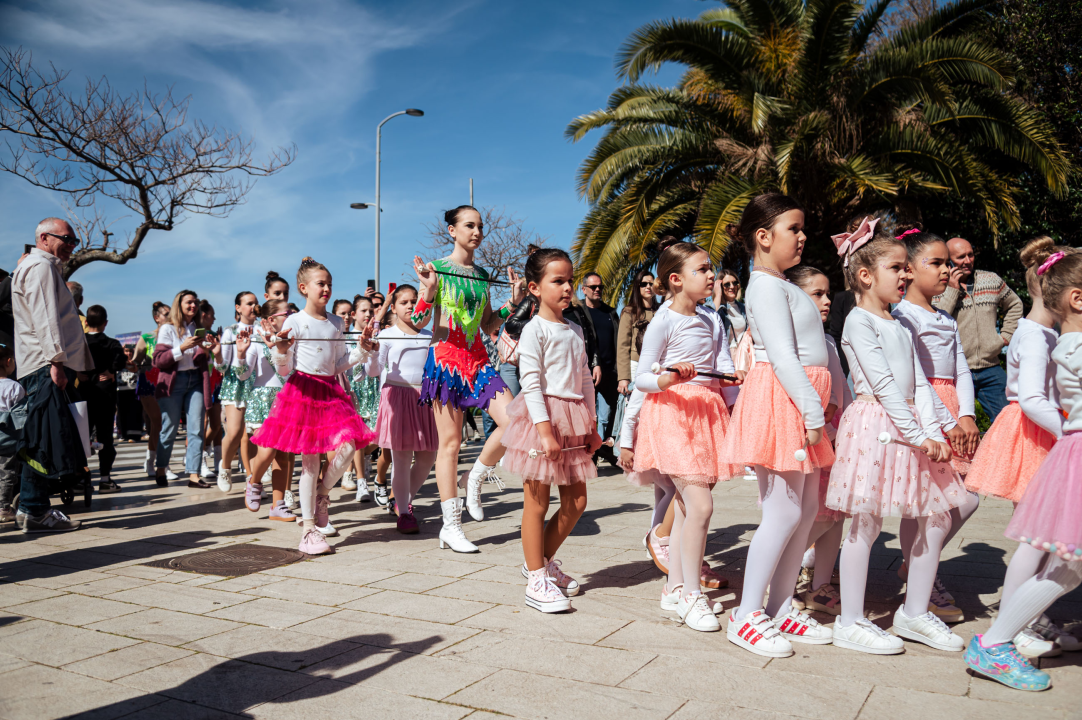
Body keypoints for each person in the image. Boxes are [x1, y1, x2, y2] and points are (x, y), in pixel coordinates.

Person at [826, 218, 966, 655]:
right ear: (866, 275)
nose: (906, 275)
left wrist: (936, 429)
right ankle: (850, 621)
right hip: (876, 427)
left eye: (908, 268)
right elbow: (884, 385)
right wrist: (917, 435)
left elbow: (920, 385)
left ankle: (915, 611)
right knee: (865, 522)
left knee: (937, 515)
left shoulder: (901, 325)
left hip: (908, 428)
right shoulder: (859, 322)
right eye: (898, 267)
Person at [719, 195, 836, 657]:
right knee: (784, 510)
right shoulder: (765, 286)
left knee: (805, 510)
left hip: (799, 399)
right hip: (783, 400)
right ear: (764, 237)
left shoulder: (782, 284)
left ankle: (781, 605)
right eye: (794, 228)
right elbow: (784, 356)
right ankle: (747, 613)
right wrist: (810, 410)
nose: (803, 236)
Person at [963, 244, 1082, 692]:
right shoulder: (1061, 342)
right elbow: (1033, 399)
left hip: (1065, 442)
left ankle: (1003, 636)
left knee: (1064, 561)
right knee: (1052, 552)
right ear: (1077, 298)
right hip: (1054, 440)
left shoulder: (1062, 340)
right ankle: (1000, 639)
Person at [634, 241, 742, 632]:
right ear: (676, 280)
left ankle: (674, 587)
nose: (712, 275)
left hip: (709, 415)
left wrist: (734, 392)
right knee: (700, 506)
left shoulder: (713, 319)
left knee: (684, 506)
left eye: (711, 268)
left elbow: (724, 366)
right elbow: (643, 376)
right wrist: (666, 377)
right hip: (673, 415)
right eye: (703, 269)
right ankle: (693, 594)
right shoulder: (663, 320)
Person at [411, 205, 524, 552]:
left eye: (480, 226)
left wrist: (513, 304)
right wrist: (428, 292)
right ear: (452, 231)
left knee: (515, 422)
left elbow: (489, 324)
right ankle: (451, 526)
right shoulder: (438, 270)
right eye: (469, 225)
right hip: (445, 361)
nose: (476, 231)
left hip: (478, 362)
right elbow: (417, 321)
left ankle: (473, 477)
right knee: (450, 444)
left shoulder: (482, 273)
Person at [248, 257, 377, 555]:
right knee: (310, 462)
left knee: (347, 448)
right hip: (303, 391)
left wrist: (361, 350)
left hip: (331, 391)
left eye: (330, 283)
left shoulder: (336, 322)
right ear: (304, 288)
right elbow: (284, 369)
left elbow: (338, 363)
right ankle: (308, 530)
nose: (327, 288)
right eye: (321, 283)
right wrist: (280, 350)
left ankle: (322, 494)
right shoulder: (294, 321)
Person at [501, 248, 602, 612]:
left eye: (569, 280)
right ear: (535, 288)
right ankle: (535, 578)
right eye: (557, 281)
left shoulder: (575, 329)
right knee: (537, 502)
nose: (567, 287)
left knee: (577, 502)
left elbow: (586, 379)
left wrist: (591, 424)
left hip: (573, 418)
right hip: (540, 418)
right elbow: (530, 383)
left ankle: (541, 561)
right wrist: (544, 431)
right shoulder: (534, 330)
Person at [893, 229, 983, 622]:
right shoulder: (902, 316)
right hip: (926, 414)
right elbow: (916, 379)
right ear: (908, 270)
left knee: (968, 497)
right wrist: (948, 421)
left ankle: (917, 566)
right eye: (937, 262)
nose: (947, 269)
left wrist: (967, 414)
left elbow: (960, 366)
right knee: (927, 504)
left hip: (954, 414)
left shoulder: (944, 317)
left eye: (949, 262)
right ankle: (920, 575)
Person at [11, 217, 92, 533]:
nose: (72, 245)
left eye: (74, 241)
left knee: (39, 438)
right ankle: (34, 509)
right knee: (43, 439)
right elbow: (45, 319)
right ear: (44, 238)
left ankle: (33, 506)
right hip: (45, 365)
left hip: (40, 363)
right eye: (67, 239)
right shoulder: (41, 267)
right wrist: (57, 362)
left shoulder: (37, 266)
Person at [784, 265, 848, 617]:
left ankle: (821, 582)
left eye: (828, 294)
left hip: (835, 434)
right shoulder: (791, 344)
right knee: (805, 514)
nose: (826, 301)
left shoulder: (828, 341)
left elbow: (841, 388)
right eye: (817, 294)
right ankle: (784, 577)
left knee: (834, 513)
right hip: (807, 434)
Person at [367, 285, 437, 534]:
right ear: (394, 308)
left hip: (426, 397)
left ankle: (400, 499)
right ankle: (405, 512)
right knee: (402, 458)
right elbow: (373, 371)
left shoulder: (431, 334)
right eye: (404, 302)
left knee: (429, 456)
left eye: (413, 302)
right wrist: (372, 353)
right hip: (397, 395)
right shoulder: (387, 334)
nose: (409, 306)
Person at [933, 237, 1023, 422]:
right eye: (960, 257)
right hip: (956, 372)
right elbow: (937, 320)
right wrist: (951, 289)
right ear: (948, 260)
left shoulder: (991, 279)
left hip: (991, 368)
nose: (967, 261)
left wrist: (1005, 337)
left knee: (1008, 421)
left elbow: (1015, 304)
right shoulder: (938, 286)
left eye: (970, 255)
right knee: (957, 426)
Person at [235, 298, 295, 522]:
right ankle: (254, 480)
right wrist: (241, 354)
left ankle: (278, 505)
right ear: (271, 319)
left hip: (286, 399)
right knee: (268, 451)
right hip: (262, 399)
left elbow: (289, 372)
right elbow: (243, 375)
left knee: (282, 454)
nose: (291, 316)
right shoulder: (258, 343)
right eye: (286, 313)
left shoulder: (291, 340)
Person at [153, 290, 212, 489]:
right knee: (168, 429)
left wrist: (206, 350)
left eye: (195, 302)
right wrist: (183, 347)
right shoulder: (168, 329)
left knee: (196, 429)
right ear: (179, 305)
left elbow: (204, 360)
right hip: (174, 382)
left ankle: (194, 475)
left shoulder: (198, 328)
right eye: (189, 302)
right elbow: (159, 360)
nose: (193, 306)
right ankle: (161, 468)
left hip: (195, 379)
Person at [567, 272, 620, 464]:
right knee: (589, 413)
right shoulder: (577, 310)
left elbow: (618, 342)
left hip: (610, 371)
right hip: (588, 369)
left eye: (600, 287)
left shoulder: (611, 312)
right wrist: (592, 363)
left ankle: (607, 449)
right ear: (584, 289)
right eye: (593, 287)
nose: (598, 290)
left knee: (614, 411)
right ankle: (591, 454)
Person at [216, 292, 260, 491]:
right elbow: (223, 368)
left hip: (257, 385)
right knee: (234, 432)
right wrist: (217, 356)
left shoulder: (261, 330)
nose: (253, 307)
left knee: (251, 435)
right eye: (249, 303)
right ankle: (225, 467)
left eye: (255, 303)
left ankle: (252, 479)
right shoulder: (230, 331)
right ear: (238, 307)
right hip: (236, 384)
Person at [82, 304, 126, 494]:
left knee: (82, 436)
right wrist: (110, 371)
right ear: (105, 323)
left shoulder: (80, 343)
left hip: (84, 393)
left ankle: (80, 477)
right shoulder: (112, 344)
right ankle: (105, 478)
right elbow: (120, 361)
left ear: (85, 322)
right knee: (106, 436)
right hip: (106, 394)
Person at [343, 294, 380, 500]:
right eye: (363, 310)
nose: (368, 314)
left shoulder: (378, 335)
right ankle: (361, 484)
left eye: (371, 311)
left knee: (377, 435)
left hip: (373, 390)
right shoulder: (346, 338)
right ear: (354, 314)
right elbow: (352, 371)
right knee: (356, 438)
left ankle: (366, 458)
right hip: (354, 392)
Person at [134, 301, 171, 477]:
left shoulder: (175, 336)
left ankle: (161, 462)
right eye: (166, 314)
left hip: (168, 382)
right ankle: (152, 462)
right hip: (149, 382)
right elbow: (135, 361)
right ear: (156, 318)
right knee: (158, 422)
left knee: (165, 423)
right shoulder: (147, 337)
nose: (170, 317)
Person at [616, 269, 660, 395]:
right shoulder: (629, 312)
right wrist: (623, 377)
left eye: (651, 284)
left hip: (657, 366)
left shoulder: (661, 312)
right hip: (635, 365)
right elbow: (622, 347)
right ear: (637, 287)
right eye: (644, 284)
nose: (648, 287)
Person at [0, 342, 26, 523]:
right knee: (7, 473)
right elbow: (22, 417)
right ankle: (3, 507)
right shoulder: (15, 387)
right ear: (9, 361)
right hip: (8, 440)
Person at [714, 269, 747, 350]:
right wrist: (718, 295)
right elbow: (711, 320)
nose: (732, 286)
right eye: (727, 284)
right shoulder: (720, 309)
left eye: (735, 283)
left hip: (743, 355)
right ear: (720, 287)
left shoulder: (743, 308)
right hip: (727, 354)